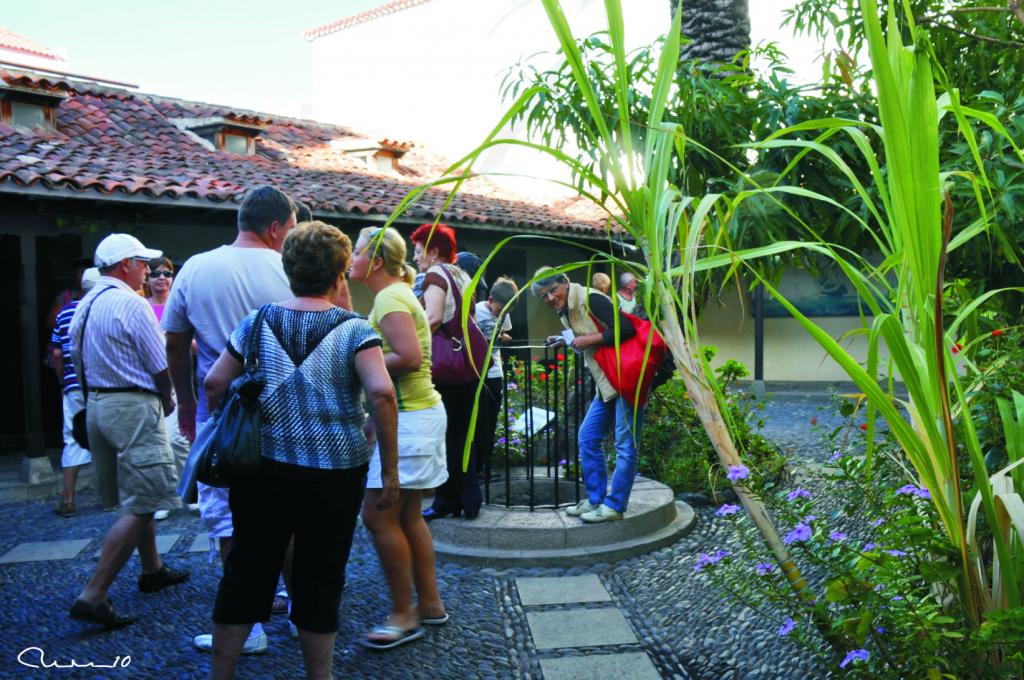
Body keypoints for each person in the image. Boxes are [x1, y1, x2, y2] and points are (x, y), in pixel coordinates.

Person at [203, 221, 399, 680]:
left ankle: (221, 675)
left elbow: (215, 381)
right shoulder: (354, 330)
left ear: (289, 270)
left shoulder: (256, 322)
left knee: (246, 572)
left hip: (261, 469)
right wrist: (388, 470)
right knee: (319, 577)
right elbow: (383, 394)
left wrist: (226, 423)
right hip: (335, 473)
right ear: (337, 277)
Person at [163, 185, 295, 654]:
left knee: (228, 522)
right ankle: (301, 610)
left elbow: (176, 341)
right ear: (276, 227)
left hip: (222, 415)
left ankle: (249, 625)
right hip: (286, 414)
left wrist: (186, 401)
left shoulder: (196, 267)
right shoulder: (288, 267)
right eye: (289, 230)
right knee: (288, 515)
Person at [67, 234, 189, 628]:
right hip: (133, 406)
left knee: (136, 492)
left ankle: (152, 569)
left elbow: (74, 358)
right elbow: (158, 361)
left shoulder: (85, 305)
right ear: (125, 265)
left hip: (98, 406)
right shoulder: (132, 303)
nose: (148, 270)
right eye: (143, 263)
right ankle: (94, 593)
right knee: (145, 497)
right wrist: (171, 397)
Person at [348, 226, 449, 650]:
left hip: (409, 419)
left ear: (376, 260)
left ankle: (403, 615)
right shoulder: (400, 292)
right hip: (420, 415)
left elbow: (408, 357)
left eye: (356, 251)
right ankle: (429, 603)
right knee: (408, 516)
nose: (350, 257)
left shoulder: (389, 297)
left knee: (378, 515)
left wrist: (359, 360)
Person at [532, 267, 645, 523]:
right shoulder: (566, 310)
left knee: (625, 446)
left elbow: (626, 329)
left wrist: (588, 340)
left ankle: (614, 507)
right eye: (543, 297)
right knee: (587, 437)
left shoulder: (591, 298)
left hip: (625, 379)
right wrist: (566, 339)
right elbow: (588, 333)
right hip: (605, 382)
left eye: (552, 291)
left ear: (564, 281)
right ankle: (596, 501)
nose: (550, 298)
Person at [411, 223, 482, 521]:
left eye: (418, 251)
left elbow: (435, 317)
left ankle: (446, 501)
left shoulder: (436, 274)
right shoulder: (461, 273)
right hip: (468, 365)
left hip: (445, 368)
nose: (415, 258)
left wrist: (409, 342)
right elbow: (470, 317)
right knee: (463, 435)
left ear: (434, 251)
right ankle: (469, 499)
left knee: (446, 435)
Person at [51, 267, 105, 516]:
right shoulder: (104, 307)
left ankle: (69, 499)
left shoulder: (64, 312)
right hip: (104, 384)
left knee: (72, 438)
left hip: (73, 385)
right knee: (109, 437)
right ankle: (110, 496)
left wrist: (64, 381)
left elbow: (57, 353)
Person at [474, 276, 518, 480]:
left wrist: (503, 337)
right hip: (477, 372)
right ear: (490, 300)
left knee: (490, 421)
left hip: (495, 372)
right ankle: (474, 467)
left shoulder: (504, 313)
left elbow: (503, 333)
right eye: (500, 310)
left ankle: (487, 467)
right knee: (478, 421)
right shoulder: (476, 310)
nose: (502, 314)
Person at [145, 256, 175, 323]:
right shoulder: (141, 305)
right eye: (155, 274)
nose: (162, 277)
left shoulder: (178, 304)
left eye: (166, 274)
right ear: (147, 280)